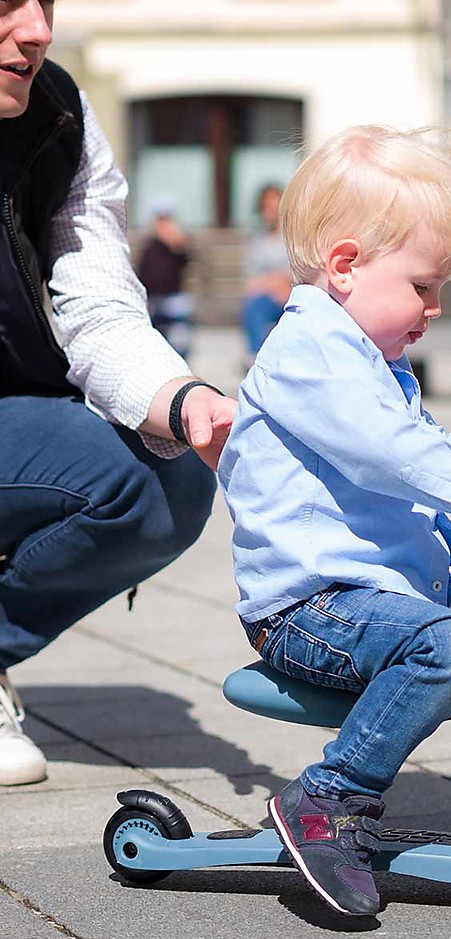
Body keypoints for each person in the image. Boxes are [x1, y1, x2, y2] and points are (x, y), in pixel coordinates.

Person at [218, 124, 451, 917]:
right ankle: (327, 799)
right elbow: (391, 451)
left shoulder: (371, 355)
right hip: (307, 611)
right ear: (346, 265)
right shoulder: (308, 352)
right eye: (423, 285)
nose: (435, 308)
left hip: (375, 604)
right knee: (448, 645)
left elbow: (423, 441)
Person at [0, 1, 236, 786]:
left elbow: (97, 303)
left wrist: (176, 398)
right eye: (5, 3)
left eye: (45, 1)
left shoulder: (58, 115)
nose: (35, 29)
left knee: (164, 481)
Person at [239, 183, 293, 365]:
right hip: (268, 292)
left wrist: (284, 284)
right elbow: (251, 277)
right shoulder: (256, 238)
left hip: (291, 291)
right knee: (254, 305)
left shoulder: (292, 235)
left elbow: (297, 269)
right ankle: (254, 356)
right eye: (267, 206)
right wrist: (274, 283)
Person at [136, 196, 195, 360]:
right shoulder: (149, 245)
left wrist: (178, 245)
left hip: (174, 298)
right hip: (154, 300)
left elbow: (188, 262)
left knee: (180, 341)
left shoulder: (178, 242)